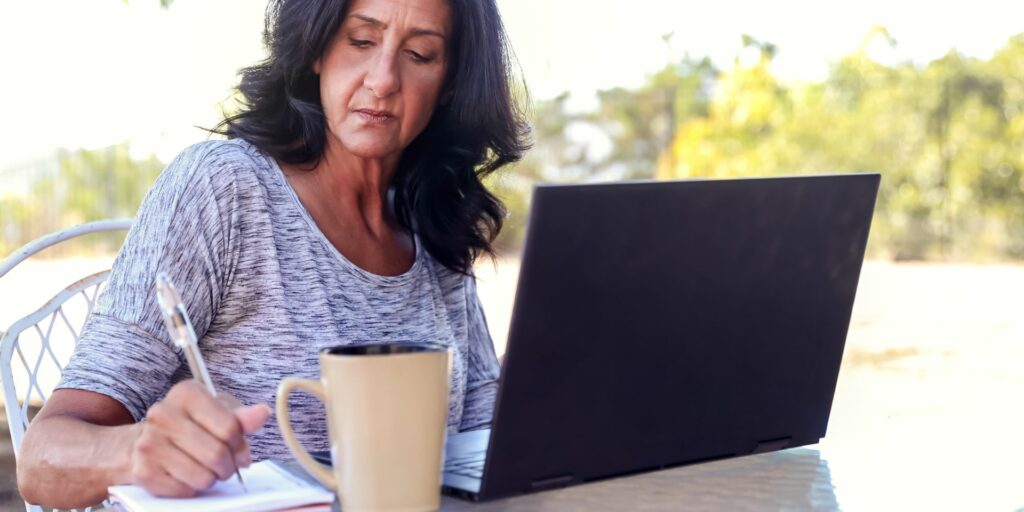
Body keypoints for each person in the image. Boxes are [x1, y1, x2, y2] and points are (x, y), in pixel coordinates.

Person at [16, 0, 529, 507]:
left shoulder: (433, 221)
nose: (383, 79)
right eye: (361, 41)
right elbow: (42, 459)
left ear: (450, 84)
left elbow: (486, 432)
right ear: (317, 50)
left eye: (419, 54)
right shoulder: (224, 187)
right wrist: (134, 453)